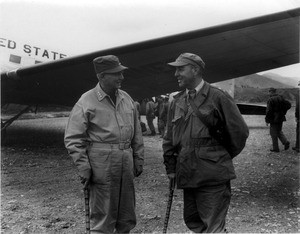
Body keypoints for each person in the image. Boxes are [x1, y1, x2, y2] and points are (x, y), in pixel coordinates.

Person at [162, 53, 249, 233]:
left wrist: (218, 156)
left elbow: (239, 132)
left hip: (212, 174)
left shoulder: (218, 97)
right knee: (194, 222)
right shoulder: (177, 101)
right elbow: (169, 138)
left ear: (195, 70)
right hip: (187, 172)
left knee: (213, 225)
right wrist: (171, 167)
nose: (176, 74)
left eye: (180, 69)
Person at [64, 55, 144, 233]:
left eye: (121, 73)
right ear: (101, 76)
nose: (122, 78)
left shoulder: (127, 98)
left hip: (125, 161)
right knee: (103, 218)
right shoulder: (86, 100)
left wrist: (138, 158)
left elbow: (137, 133)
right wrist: (83, 166)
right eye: (116, 74)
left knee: (126, 217)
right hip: (101, 165)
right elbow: (73, 138)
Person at [265, 87, 290, 152]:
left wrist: (267, 120)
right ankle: (285, 142)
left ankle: (275, 148)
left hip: (274, 119)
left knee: (273, 133)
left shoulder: (270, 99)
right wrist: (283, 112)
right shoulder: (281, 97)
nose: (268, 93)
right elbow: (288, 105)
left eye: (269, 92)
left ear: (271, 92)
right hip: (281, 118)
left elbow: (268, 111)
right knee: (278, 131)